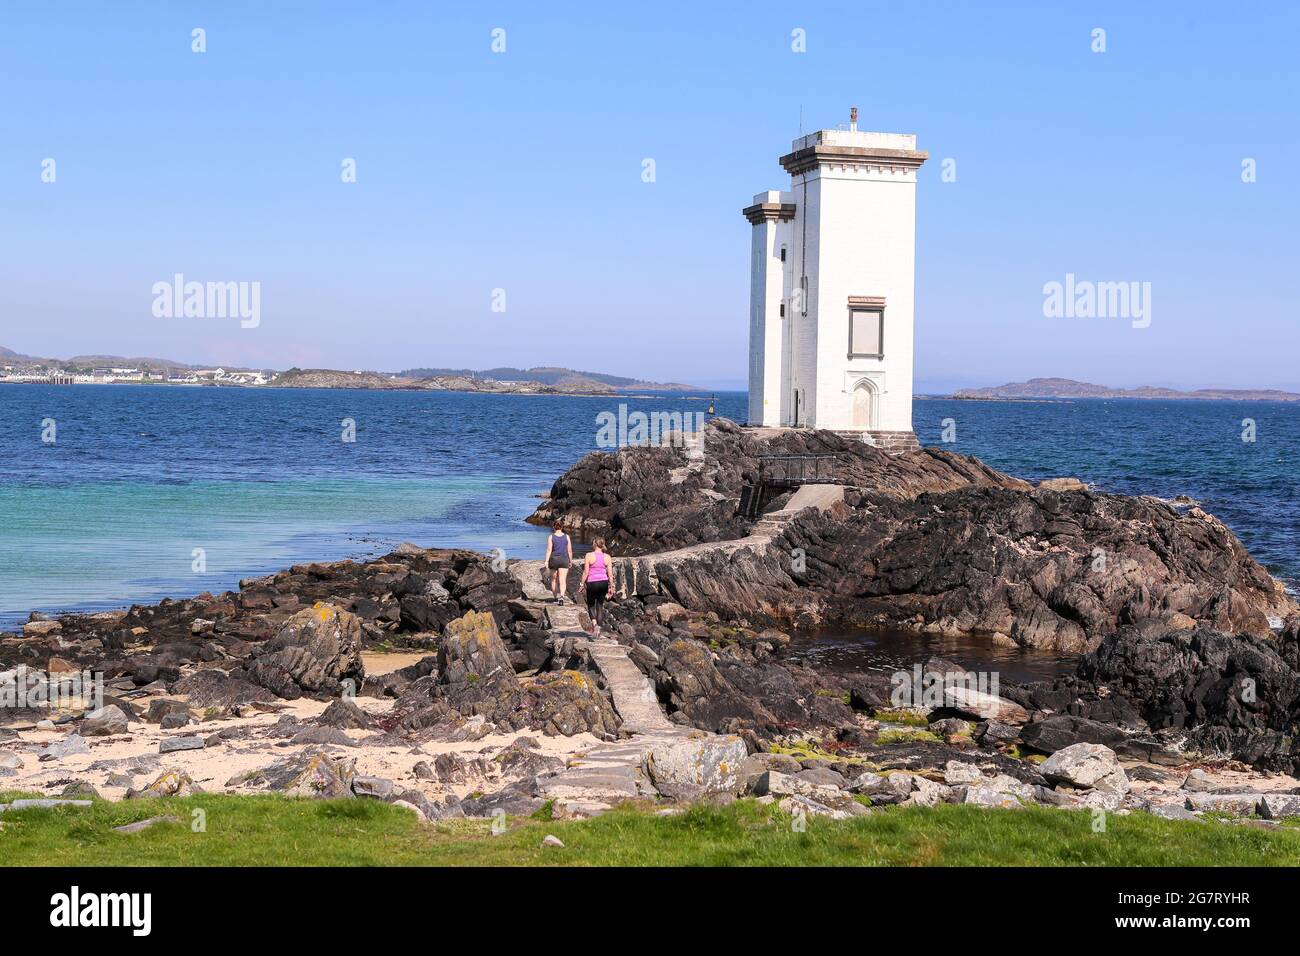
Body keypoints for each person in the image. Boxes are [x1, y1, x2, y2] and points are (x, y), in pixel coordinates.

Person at [578, 537, 615, 639]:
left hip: (592, 583)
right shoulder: (607, 557)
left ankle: (595, 626)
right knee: (599, 606)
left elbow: (586, 572)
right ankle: (598, 628)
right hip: (603, 582)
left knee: (590, 605)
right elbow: (610, 574)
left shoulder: (589, 556)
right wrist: (611, 587)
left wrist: (581, 584)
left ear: (594, 544)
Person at [544, 523, 572, 603]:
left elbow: (549, 550)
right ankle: (562, 597)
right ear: (562, 527)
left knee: (553, 580)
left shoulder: (551, 537)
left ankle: (555, 598)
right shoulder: (567, 537)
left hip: (554, 560)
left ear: (554, 527)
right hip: (564, 559)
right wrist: (570, 561)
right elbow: (569, 551)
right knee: (562, 580)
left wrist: (546, 561)